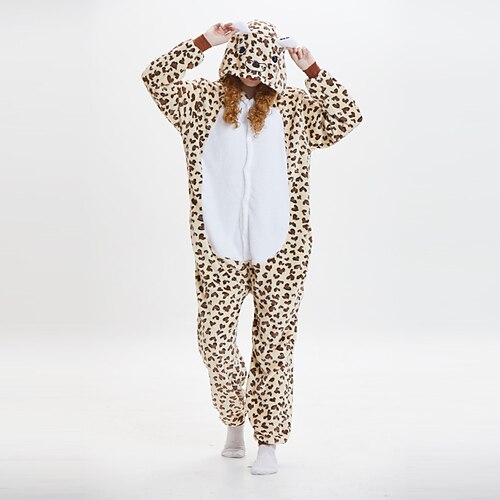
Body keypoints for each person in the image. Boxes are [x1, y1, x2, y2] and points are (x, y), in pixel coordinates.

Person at [141, 19, 363, 475]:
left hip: (282, 248)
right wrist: (205, 41)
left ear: (274, 65)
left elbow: (347, 117)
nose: (251, 71)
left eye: (261, 63)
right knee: (214, 340)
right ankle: (233, 419)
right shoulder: (201, 104)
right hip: (217, 246)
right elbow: (155, 78)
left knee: (274, 347)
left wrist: (312, 68)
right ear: (232, 58)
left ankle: (269, 442)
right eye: (243, 59)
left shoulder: (295, 109)